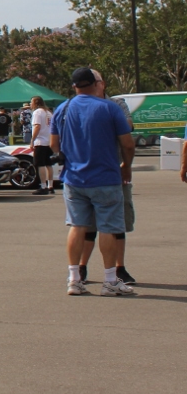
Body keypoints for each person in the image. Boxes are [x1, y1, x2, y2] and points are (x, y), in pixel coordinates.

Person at [53, 67, 135, 297]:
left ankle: (74, 279)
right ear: (96, 84)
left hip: (74, 178)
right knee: (108, 228)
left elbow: (54, 144)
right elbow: (128, 143)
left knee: (77, 226)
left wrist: (70, 156)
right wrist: (126, 165)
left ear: (74, 86)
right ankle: (110, 280)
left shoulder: (63, 108)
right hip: (105, 177)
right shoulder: (109, 107)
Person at [29, 96, 55, 195]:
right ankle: (50, 185)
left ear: (36, 103)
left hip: (40, 141)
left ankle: (43, 186)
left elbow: (37, 126)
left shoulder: (37, 112)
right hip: (48, 141)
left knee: (40, 164)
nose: (30, 104)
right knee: (48, 164)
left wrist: (32, 140)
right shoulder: (48, 112)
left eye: (31, 102)